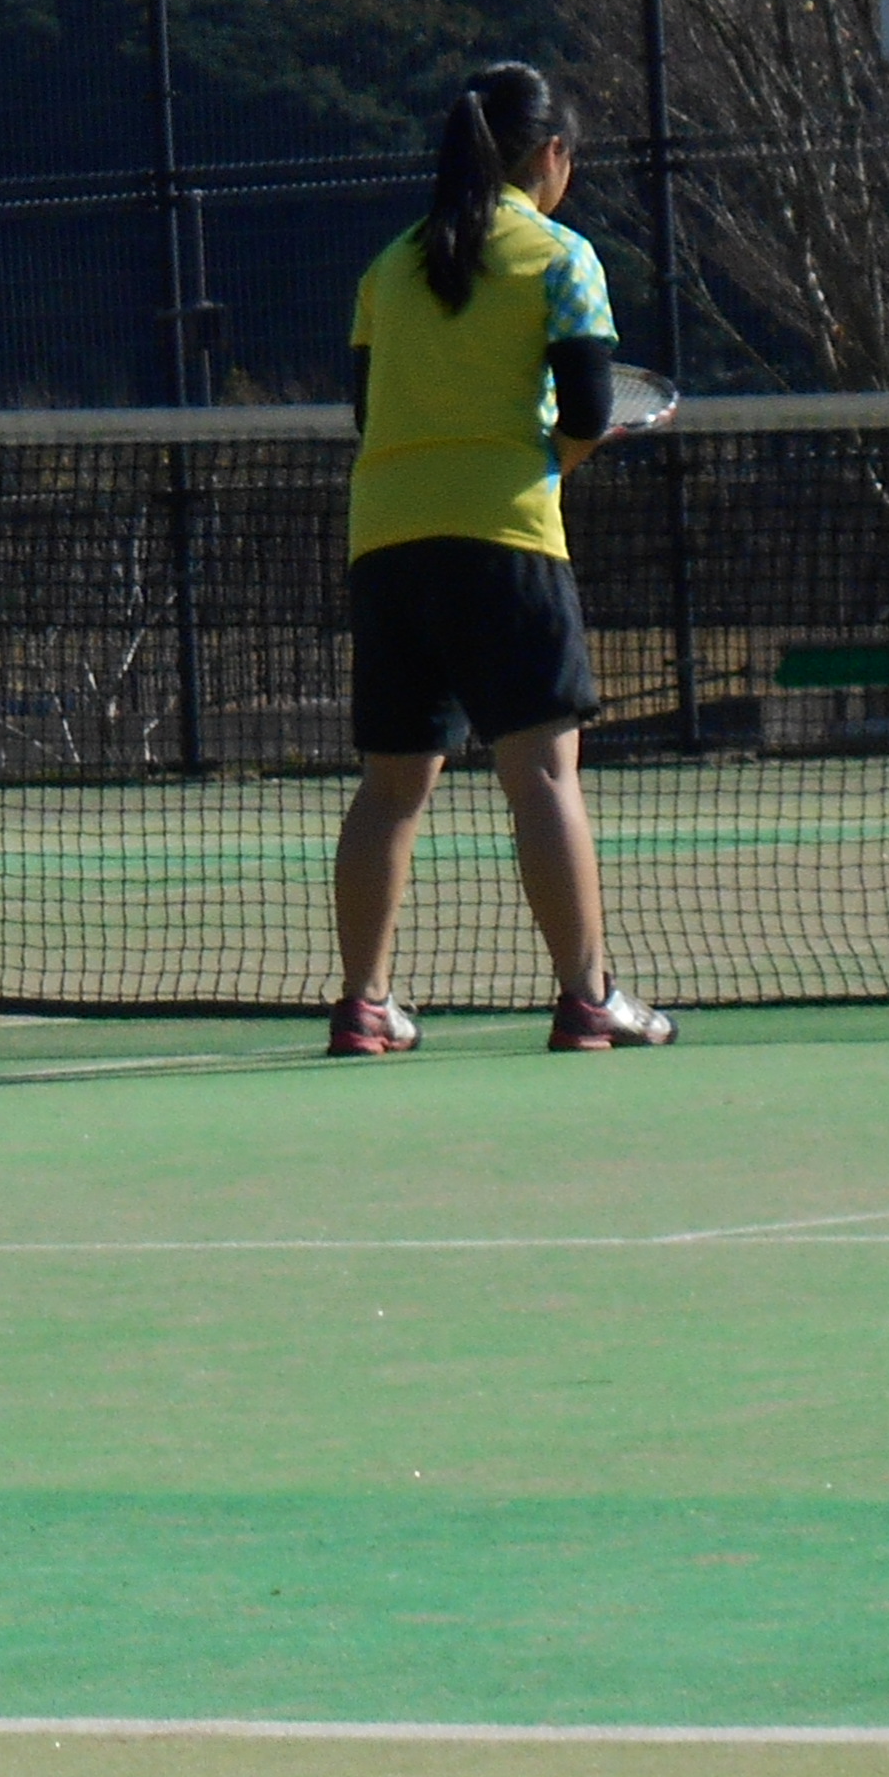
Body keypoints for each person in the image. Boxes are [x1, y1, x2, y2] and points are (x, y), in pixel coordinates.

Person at [327, 62, 675, 1058]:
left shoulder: (387, 267)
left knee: (390, 785)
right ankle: (586, 998)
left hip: (386, 542)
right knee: (542, 779)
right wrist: (554, 465)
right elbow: (589, 412)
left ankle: (363, 1005)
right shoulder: (562, 256)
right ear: (550, 156)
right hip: (504, 542)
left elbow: (369, 410)